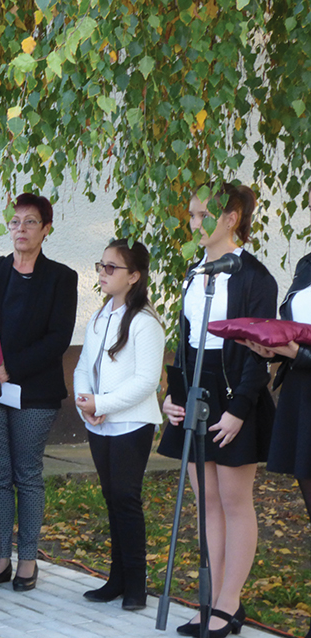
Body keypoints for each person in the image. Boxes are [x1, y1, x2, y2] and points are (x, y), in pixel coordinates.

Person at [158, 183, 277, 638]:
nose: (194, 223)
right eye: (190, 215)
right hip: (197, 391)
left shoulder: (255, 278)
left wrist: (240, 410)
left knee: (233, 501)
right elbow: (186, 344)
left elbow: (258, 354)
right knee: (205, 502)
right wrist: (174, 392)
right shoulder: (193, 273)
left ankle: (229, 603)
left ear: (231, 219)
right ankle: (211, 599)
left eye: (202, 215)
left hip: (234, 396)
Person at [0, 193, 78, 592]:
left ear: (46, 229)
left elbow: (58, 338)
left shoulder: (62, 277)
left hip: (34, 391)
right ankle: (0, 557)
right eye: (15, 222)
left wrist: (8, 367)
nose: (21, 229)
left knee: (27, 474)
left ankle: (28, 560)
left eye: (30, 222)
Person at [73, 239, 165, 611]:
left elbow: (146, 382)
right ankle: (116, 578)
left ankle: (136, 585)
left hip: (132, 423)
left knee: (127, 500)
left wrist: (103, 403)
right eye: (101, 265)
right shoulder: (99, 317)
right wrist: (85, 405)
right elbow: (83, 367)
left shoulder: (145, 323)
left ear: (135, 276)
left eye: (112, 268)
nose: (102, 273)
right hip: (100, 424)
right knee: (111, 498)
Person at [242, 240, 311, 638]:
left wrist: (296, 353)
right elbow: (293, 327)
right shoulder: (307, 263)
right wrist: (270, 350)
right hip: (302, 400)